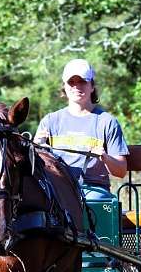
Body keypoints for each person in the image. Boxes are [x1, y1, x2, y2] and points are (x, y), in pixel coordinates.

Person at [34, 59, 129, 200]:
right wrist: (36, 148)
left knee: (87, 203)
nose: (76, 87)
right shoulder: (50, 121)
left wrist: (105, 157)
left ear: (92, 86)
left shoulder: (106, 122)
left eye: (82, 82)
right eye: (71, 82)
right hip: (56, 187)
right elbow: (34, 167)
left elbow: (121, 171)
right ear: (64, 87)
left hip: (92, 190)